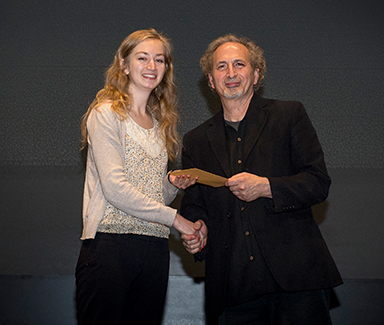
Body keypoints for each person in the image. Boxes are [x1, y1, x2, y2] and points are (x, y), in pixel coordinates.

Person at [180, 34, 343, 324]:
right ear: (210, 79)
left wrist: (267, 187)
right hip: (233, 289)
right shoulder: (195, 141)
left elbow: (318, 182)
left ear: (256, 74)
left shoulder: (289, 115)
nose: (231, 73)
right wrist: (198, 228)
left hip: (298, 281)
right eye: (222, 67)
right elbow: (194, 205)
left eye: (239, 64)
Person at [75, 28, 201, 325]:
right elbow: (116, 189)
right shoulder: (106, 113)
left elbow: (151, 193)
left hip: (154, 249)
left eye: (159, 60)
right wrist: (176, 219)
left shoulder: (159, 123)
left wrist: (170, 186)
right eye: (142, 58)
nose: (151, 66)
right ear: (124, 64)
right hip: (109, 248)